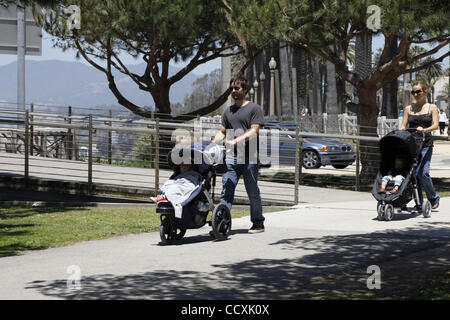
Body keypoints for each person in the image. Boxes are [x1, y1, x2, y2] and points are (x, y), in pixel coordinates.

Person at [212, 76, 265, 234]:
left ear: (245, 90)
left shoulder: (254, 109)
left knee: (252, 191)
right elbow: (222, 132)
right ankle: (222, 225)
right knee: (226, 190)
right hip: (231, 157)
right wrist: (211, 143)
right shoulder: (228, 111)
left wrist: (236, 140)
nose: (233, 91)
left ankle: (258, 223)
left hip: (250, 157)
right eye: (232, 89)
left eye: (237, 88)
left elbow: (254, 130)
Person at [400, 81, 440, 212]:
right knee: (413, 175)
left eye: (418, 91)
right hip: (411, 145)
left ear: (425, 92)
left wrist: (424, 130)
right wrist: (401, 133)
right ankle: (418, 204)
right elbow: (403, 126)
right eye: (413, 92)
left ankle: (433, 198)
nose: (416, 94)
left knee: (422, 173)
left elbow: (435, 125)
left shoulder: (432, 107)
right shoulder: (408, 109)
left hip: (426, 144)